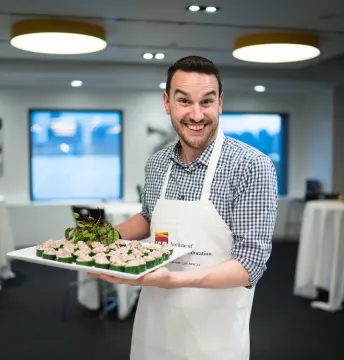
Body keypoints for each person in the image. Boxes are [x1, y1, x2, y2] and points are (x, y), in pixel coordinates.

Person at [89, 55, 278, 360]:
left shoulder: (251, 165)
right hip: (155, 318)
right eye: (184, 101)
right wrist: (101, 237)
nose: (196, 114)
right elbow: (149, 218)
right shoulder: (158, 162)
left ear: (220, 103)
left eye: (206, 101)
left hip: (214, 328)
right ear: (167, 103)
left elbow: (250, 264)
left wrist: (173, 280)